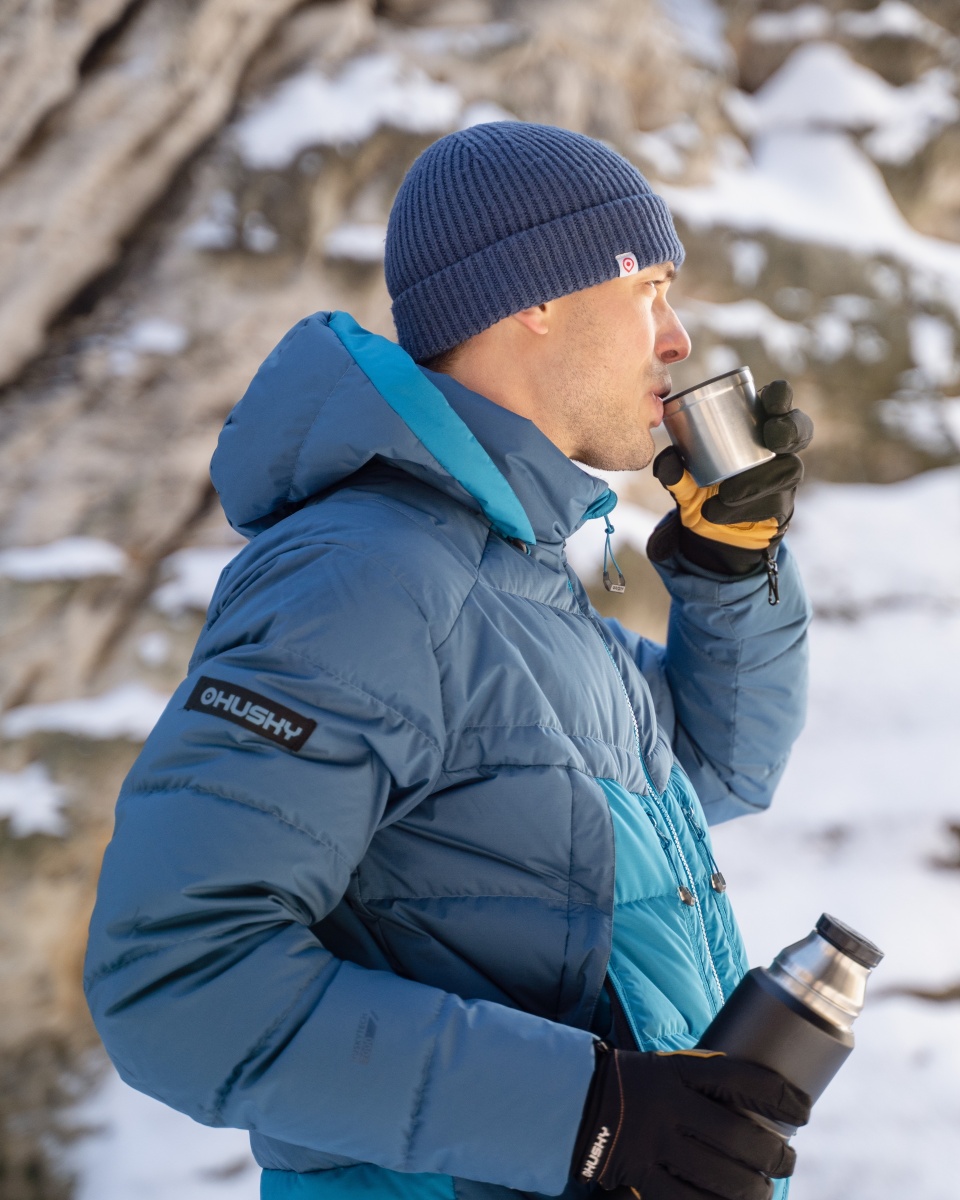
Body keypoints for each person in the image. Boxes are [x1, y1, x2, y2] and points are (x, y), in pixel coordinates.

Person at [85, 122, 815, 1200]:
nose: (676, 339)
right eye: (649, 290)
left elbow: (717, 768)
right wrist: (586, 1117)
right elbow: (175, 977)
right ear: (536, 298)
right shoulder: (364, 580)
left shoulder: (511, 579)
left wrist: (731, 569)